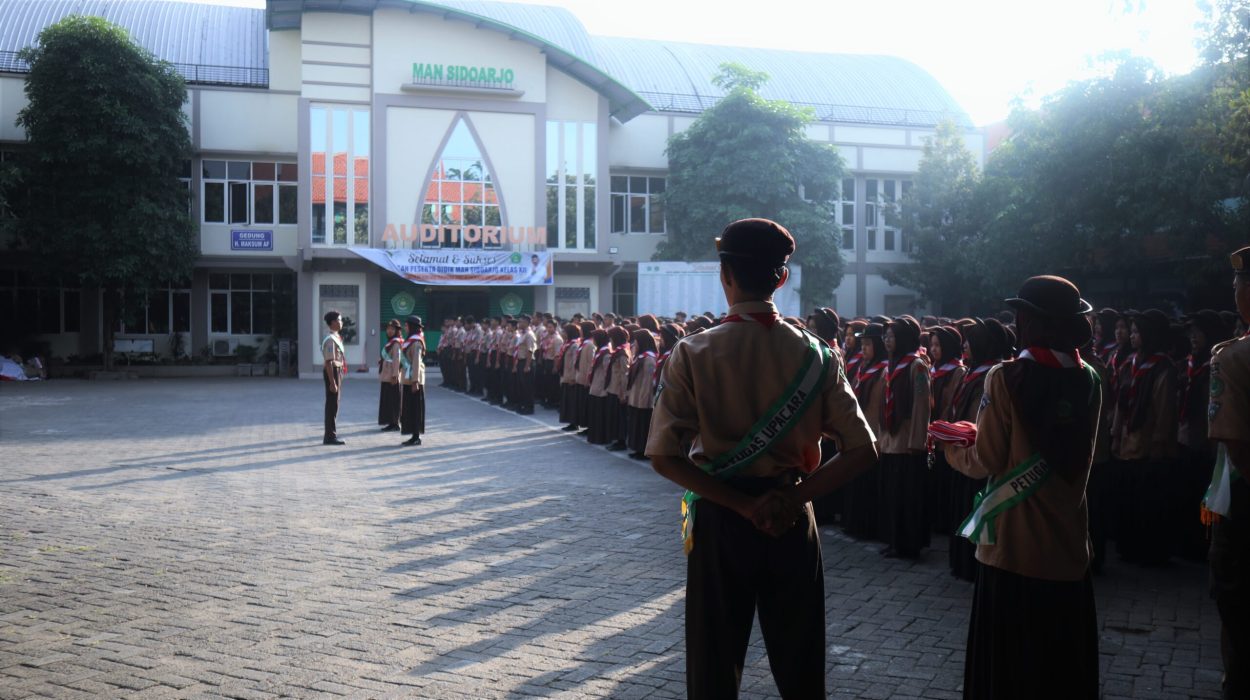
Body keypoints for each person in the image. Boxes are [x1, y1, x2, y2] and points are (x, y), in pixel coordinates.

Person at [646, 218, 877, 699]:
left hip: (721, 516)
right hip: (792, 516)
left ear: (725, 275)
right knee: (801, 663)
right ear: (782, 277)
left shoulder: (693, 352)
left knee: (714, 661)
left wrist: (743, 507)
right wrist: (793, 501)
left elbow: (665, 457)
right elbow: (863, 450)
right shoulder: (818, 356)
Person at [942, 275, 1101, 700]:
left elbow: (988, 461)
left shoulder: (1006, 378)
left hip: (1014, 548)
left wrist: (951, 446)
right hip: (1068, 545)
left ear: (1032, 321)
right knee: (1059, 668)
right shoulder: (1089, 379)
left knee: (1011, 671)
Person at [1205, 246, 1250, 700]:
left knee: (1240, 629)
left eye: (1238, 284)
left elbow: (1235, 443)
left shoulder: (1233, 358)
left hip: (1244, 508)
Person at [1112, 309, 1177, 565]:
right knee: (1129, 501)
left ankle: (1148, 552)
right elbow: (1120, 403)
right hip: (1128, 442)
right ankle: (1128, 548)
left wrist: (1159, 444)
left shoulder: (1164, 368)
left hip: (1149, 445)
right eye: (1133, 331)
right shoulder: (1130, 363)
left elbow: (1164, 412)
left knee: (1148, 504)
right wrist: (1115, 433)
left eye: (1138, 331)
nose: (1133, 336)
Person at [879, 315, 932, 559]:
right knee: (892, 496)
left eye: (892, 336)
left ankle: (909, 544)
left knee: (907, 496)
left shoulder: (917, 365)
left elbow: (922, 406)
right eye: (886, 336)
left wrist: (917, 441)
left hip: (907, 441)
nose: (888, 340)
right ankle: (894, 541)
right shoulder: (890, 365)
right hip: (891, 440)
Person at [842, 322, 887, 540]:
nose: (863, 348)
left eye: (868, 344)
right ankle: (856, 523)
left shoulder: (884, 370)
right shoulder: (864, 367)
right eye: (863, 344)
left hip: (876, 433)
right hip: (861, 431)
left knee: (871, 483)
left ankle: (870, 526)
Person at [321, 310, 347, 446]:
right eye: (339, 320)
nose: (341, 322)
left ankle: (331, 434)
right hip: (333, 372)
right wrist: (332, 382)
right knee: (332, 405)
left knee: (334, 405)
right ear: (333, 322)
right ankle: (330, 436)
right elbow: (329, 362)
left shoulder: (336, 337)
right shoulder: (330, 340)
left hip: (337, 372)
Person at [400, 315, 426, 446]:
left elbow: (416, 362)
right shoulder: (409, 340)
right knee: (409, 408)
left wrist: (415, 381)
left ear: (411, 327)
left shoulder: (416, 342)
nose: (405, 328)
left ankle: (416, 436)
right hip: (407, 379)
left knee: (415, 409)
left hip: (414, 380)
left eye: (406, 325)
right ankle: (412, 434)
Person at [377, 318, 403, 432]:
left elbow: (397, 360)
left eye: (392, 329)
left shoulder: (396, 343)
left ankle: (395, 422)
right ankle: (390, 422)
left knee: (393, 400)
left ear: (397, 330)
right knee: (387, 399)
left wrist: (395, 375)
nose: (389, 331)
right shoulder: (390, 342)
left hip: (391, 376)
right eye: (388, 328)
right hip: (387, 375)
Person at [514, 315, 538, 415]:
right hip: (520, 361)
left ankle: (529, 408)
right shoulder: (521, 334)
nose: (519, 323)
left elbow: (530, 351)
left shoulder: (529, 334)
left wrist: (527, 366)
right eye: (519, 322)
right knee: (521, 386)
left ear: (527, 323)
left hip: (527, 361)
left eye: (522, 322)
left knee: (528, 386)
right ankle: (522, 405)